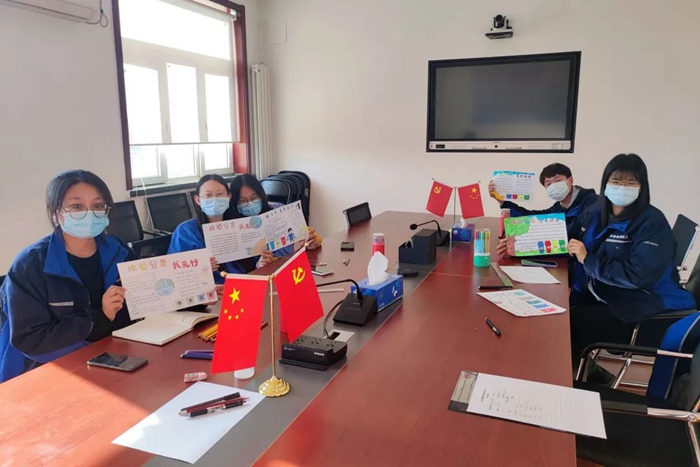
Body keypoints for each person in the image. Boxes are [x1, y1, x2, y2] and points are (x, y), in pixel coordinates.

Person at [499, 154, 696, 380]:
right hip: (603, 294)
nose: (622, 188)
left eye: (630, 182)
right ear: (605, 183)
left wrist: (588, 259)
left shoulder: (652, 222)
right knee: (550, 315)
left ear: (642, 187)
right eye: (616, 181)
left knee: (562, 328)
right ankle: (587, 374)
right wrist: (520, 245)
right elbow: (564, 236)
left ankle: (575, 381)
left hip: (640, 307)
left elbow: (639, 275)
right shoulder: (596, 211)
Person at [0, 170, 134, 383]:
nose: (89, 214)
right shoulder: (31, 264)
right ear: (55, 213)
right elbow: (31, 339)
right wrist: (100, 317)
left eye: (98, 205)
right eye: (77, 207)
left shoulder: (117, 249)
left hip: (117, 357)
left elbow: (140, 302)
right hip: (48, 371)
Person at [229, 174, 321, 261]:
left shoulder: (277, 209)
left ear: (261, 195)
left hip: (287, 263)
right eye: (243, 201)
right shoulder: (232, 225)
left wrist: (310, 241)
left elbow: (305, 233)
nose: (250, 204)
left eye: (254, 198)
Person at [489, 163, 598, 226]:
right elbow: (532, 217)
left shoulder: (591, 203)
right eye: (548, 184)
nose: (553, 186)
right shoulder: (558, 208)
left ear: (570, 181)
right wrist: (502, 201)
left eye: (558, 180)